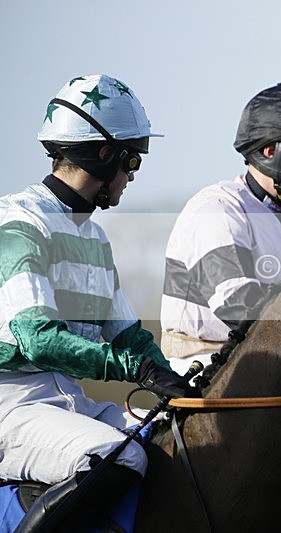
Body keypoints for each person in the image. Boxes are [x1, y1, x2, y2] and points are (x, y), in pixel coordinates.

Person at [0, 74, 190, 532]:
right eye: (133, 160)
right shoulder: (19, 221)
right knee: (119, 457)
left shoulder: (95, 237)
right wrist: (135, 368)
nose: (133, 175)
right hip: (11, 404)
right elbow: (37, 339)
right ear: (105, 155)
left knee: (167, 441)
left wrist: (184, 388)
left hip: (64, 399)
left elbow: (129, 338)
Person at [160, 82, 281, 374]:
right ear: (270, 152)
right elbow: (240, 307)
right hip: (199, 371)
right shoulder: (217, 210)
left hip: (272, 369)